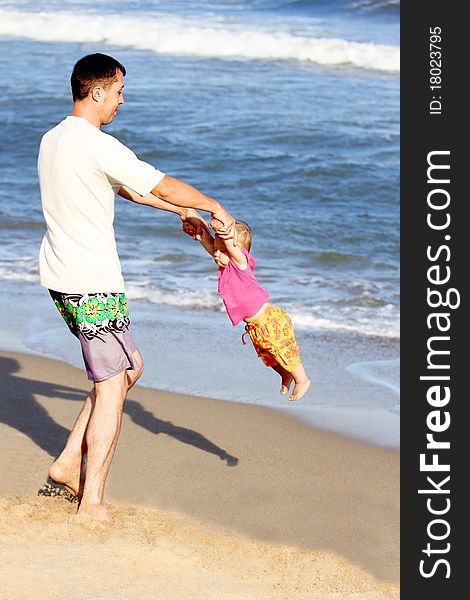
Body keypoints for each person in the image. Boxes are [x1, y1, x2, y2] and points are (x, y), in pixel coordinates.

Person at [37, 52, 235, 521]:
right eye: (120, 91)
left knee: (130, 368)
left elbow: (124, 187)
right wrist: (213, 207)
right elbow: (161, 183)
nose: (122, 101)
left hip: (63, 278)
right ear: (99, 90)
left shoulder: (54, 140)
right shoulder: (97, 143)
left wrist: (179, 213)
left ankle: (67, 463)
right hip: (91, 284)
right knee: (111, 386)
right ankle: (93, 502)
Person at [183, 219, 311, 401]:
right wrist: (203, 236)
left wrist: (224, 230)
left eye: (223, 250)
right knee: (268, 356)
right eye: (217, 251)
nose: (217, 254)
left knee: (282, 349)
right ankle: (285, 373)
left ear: (236, 248)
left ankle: (302, 379)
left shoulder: (241, 262)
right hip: (255, 327)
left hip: (269, 320)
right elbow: (212, 246)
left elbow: (230, 247)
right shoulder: (225, 262)